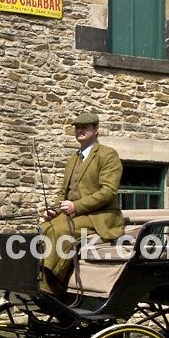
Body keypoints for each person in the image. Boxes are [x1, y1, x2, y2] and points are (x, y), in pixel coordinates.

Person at [41, 113, 125, 293]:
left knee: (61, 231)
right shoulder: (73, 159)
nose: (80, 131)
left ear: (96, 130)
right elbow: (64, 192)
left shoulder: (107, 155)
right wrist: (54, 210)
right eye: (77, 127)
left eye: (84, 127)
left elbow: (108, 191)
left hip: (100, 216)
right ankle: (38, 274)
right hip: (74, 214)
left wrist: (76, 206)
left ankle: (51, 284)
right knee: (43, 228)